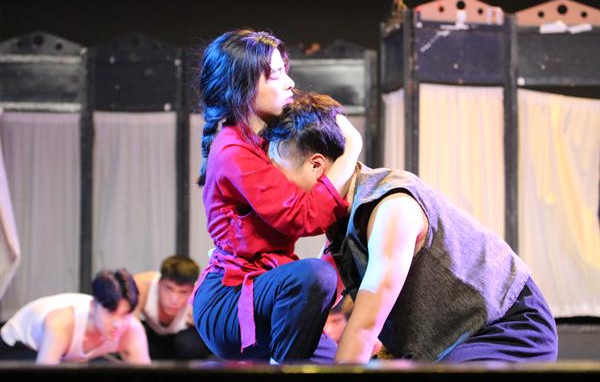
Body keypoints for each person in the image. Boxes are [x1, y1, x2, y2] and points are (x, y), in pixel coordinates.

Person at [264, 91, 559, 364]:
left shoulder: (390, 209)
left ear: (316, 166)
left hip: (507, 327)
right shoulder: (341, 217)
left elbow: (365, 328)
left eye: (277, 173)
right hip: (454, 342)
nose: (271, 188)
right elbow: (319, 298)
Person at [191, 29, 362, 364]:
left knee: (336, 366)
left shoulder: (267, 141)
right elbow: (300, 216)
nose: (289, 83)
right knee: (316, 276)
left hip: (269, 292)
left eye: (286, 71)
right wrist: (352, 146)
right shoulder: (232, 150)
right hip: (229, 299)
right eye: (275, 75)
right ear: (241, 89)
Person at [0, 269, 150, 364]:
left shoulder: (132, 330)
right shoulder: (61, 324)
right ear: (93, 306)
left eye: (125, 315)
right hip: (15, 346)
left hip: (66, 357)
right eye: (111, 313)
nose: (118, 324)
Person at [133, 255, 212, 360]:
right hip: (154, 341)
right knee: (133, 336)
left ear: (193, 289)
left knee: (190, 344)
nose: (174, 299)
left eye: (183, 292)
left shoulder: (200, 299)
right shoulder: (141, 286)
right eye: (169, 288)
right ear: (159, 283)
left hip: (183, 344)